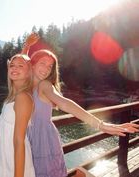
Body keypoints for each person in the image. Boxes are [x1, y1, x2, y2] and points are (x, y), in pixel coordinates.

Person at [22, 33, 139, 177]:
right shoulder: (26, 85)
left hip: (44, 140)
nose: (46, 69)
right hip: (27, 137)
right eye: (42, 63)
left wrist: (100, 124)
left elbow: (66, 104)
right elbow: (22, 63)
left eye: (50, 66)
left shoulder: (45, 86)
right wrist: (27, 47)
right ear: (32, 65)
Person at [0, 54, 35, 177]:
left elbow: (19, 141)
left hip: (13, 162)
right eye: (12, 66)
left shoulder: (23, 97)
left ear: (29, 71)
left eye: (20, 66)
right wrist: (26, 48)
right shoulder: (14, 95)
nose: (15, 68)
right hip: (3, 158)